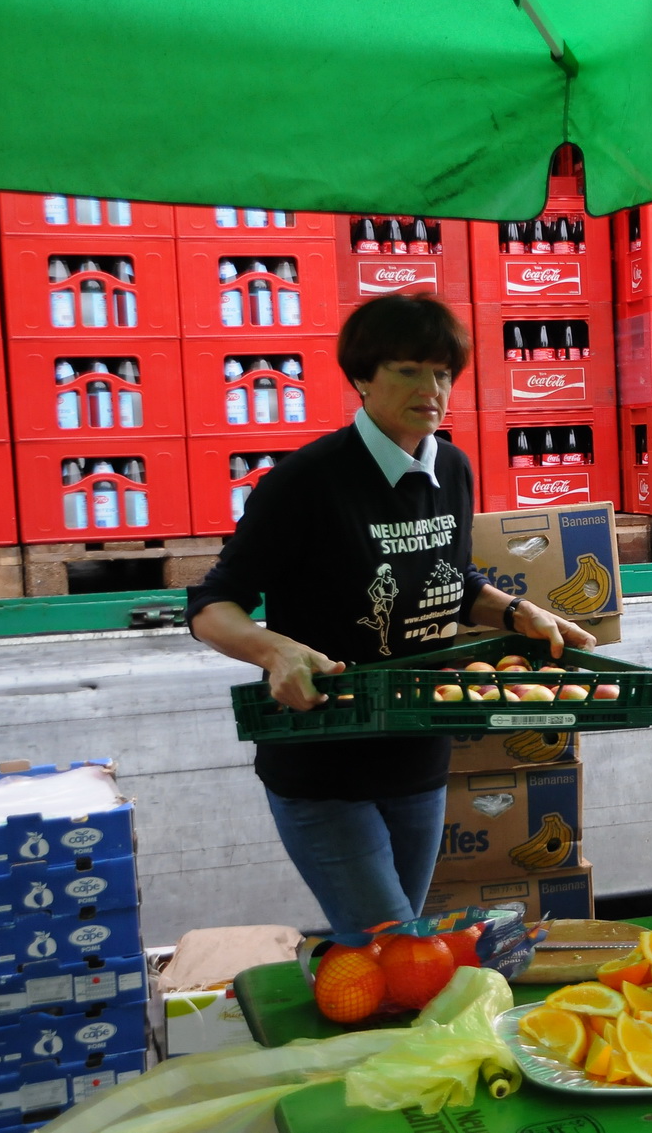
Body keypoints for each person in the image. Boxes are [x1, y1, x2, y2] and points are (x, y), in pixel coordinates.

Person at [186, 293, 595, 934]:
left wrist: (518, 613)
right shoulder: (307, 482)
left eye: (442, 373)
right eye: (407, 370)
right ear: (362, 378)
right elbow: (211, 603)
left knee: (387, 952)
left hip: (418, 756)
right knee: (392, 945)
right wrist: (274, 650)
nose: (430, 389)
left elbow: (451, 582)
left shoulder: (451, 469)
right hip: (325, 760)